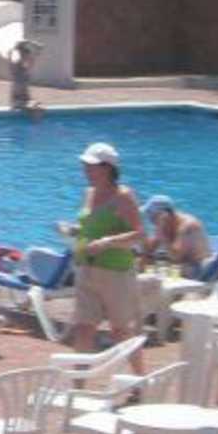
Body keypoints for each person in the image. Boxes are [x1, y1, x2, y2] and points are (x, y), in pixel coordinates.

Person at [64, 141, 146, 354]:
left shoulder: (123, 196)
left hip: (115, 273)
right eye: (85, 165)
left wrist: (107, 242)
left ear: (107, 168)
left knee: (120, 332)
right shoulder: (88, 193)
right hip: (86, 269)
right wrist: (75, 230)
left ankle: (140, 374)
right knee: (83, 328)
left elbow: (139, 234)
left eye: (91, 166)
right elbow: (90, 225)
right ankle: (78, 375)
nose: (85, 170)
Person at [141, 195, 210, 274]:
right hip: (183, 266)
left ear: (164, 215)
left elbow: (176, 257)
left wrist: (162, 233)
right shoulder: (167, 224)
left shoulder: (188, 226)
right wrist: (142, 237)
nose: (151, 221)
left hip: (199, 269)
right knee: (152, 268)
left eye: (151, 217)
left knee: (162, 270)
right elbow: (150, 250)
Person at [8, 38, 41, 112]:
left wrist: (33, 45)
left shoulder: (25, 69)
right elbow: (17, 46)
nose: (28, 59)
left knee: (38, 107)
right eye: (26, 57)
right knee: (36, 109)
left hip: (24, 99)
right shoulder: (16, 69)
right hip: (17, 101)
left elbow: (34, 56)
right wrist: (30, 42)